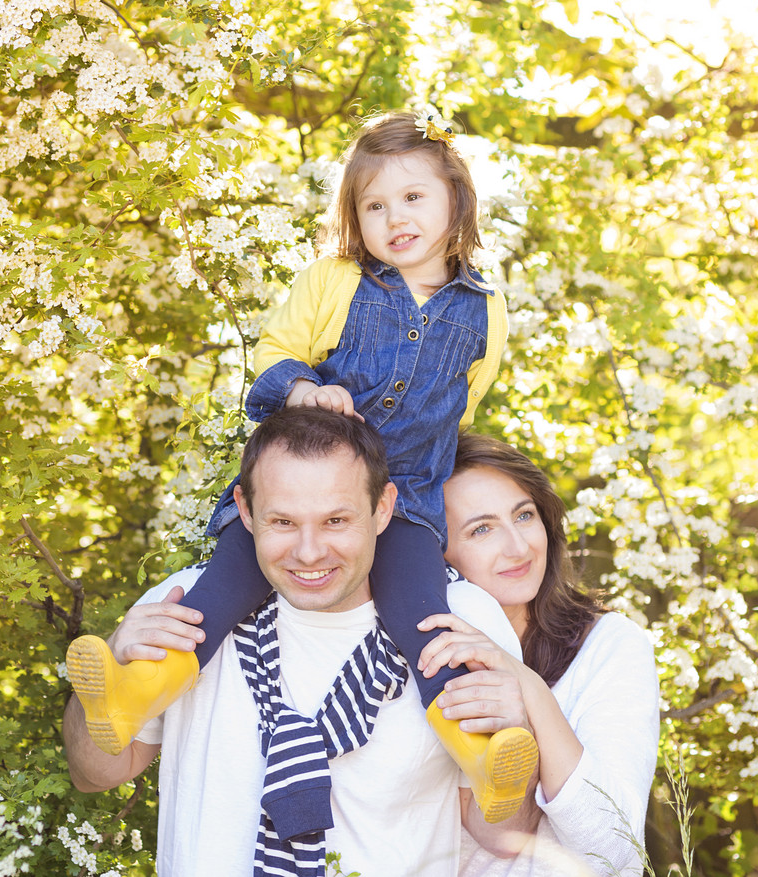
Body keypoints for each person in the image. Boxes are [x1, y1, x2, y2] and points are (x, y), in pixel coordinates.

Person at [67, 110, 534, 822]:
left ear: (454, 200)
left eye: (413, 197)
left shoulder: (486, 310)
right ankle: (131, 694)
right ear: (354, 217)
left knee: (424, 623)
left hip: (403, 504)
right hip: (306, 475)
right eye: (374, 205)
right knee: (219, 592)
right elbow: (275, 352)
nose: (394, 217)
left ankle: (479, 753)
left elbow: (460, 407)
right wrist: (305, 388)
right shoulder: (334, 279)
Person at [64, 408, 529, 876]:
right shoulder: (184, 606)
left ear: (383, 507)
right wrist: (111, 669)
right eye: (283, 522)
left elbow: (501, 835)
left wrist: (518, 722)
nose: (308, 552)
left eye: (335, 521)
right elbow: (94, 775)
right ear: (245, 510)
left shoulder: (463, 619)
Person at [416, 433, 660, 876]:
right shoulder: (422, 656)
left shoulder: (612, 646)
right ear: (435, 554)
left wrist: (529, 689)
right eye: (481, 529)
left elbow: (615, 851)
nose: (519, 546)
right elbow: (495, 836)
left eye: (524, 515)